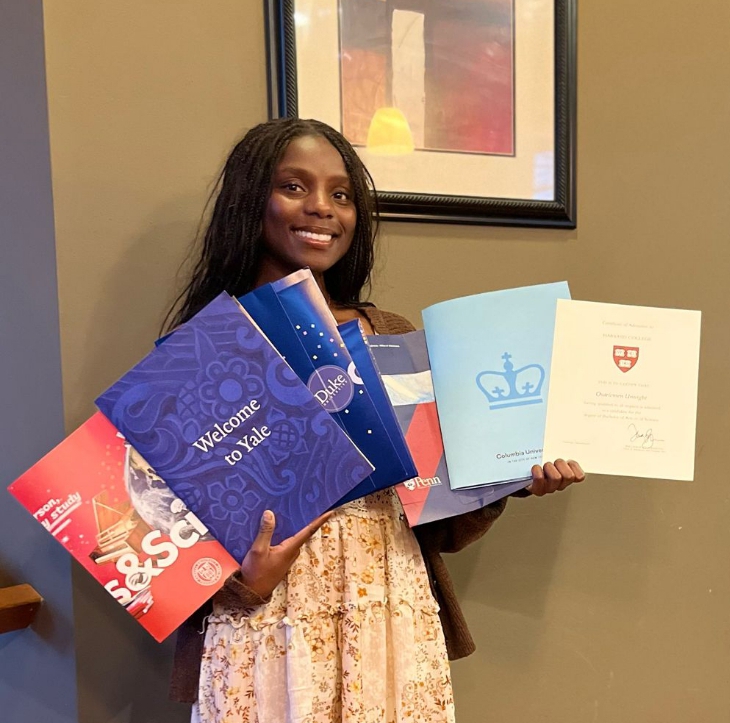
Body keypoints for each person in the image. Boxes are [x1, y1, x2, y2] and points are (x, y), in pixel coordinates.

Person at [165, 118, 586, 723]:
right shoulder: (200, 352)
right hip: (269, 624)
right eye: (293, 186)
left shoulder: (390, 336)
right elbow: (161, 536)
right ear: (249, 200)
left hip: (387, 603)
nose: (322, 207)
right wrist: (246, 582)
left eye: (341, 194)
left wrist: (511, 476)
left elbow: (439, 518)